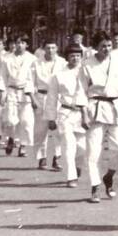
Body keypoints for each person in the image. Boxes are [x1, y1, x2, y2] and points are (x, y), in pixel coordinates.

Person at [80, 30, 118, 204]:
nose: (106, 49)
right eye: (103, 46)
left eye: (109, 45)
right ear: (96, 47)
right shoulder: (87, 64)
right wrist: (83, 114)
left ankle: (109, 176)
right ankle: (95, 186)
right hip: (95, 107)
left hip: (115, 106)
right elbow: (80, 90)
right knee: (93, 150)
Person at [45, 45, 88, 188]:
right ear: (67, 57)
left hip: (83, 114)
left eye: (78, 56)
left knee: (82, 147)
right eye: (72, 56)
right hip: (65, 113)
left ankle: (78, 166)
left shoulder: (87, 72)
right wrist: (51, 118)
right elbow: (51, 97)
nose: (75, 58)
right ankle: (71, 177)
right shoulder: (58, 75)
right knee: (68, 145)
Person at [0, 36, 39, 158]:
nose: (20, 45)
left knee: (26, 121)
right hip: (11, 90)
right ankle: (11, 139)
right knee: (10, 120)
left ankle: (23, 146)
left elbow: (34, 78)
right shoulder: (6, 59)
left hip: (26, 93)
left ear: (26, 45)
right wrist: (2, 93)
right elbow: (2, 76)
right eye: (18, 42)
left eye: (23, 43)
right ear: (14, 44)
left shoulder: (32, 59)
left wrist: (33, 96)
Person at [32, 40, 66, 170]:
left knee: (59, 129)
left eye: (53, 48)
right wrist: (32, 98)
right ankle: (42, 157)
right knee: (41, 130)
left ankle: (57, 157)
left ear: (57, 48)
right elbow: (30, 81)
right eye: (48, 48)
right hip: (41, 96)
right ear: (43, 49)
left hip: (57, 98)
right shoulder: (36, 63)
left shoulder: (62, 63)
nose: (50, 50)